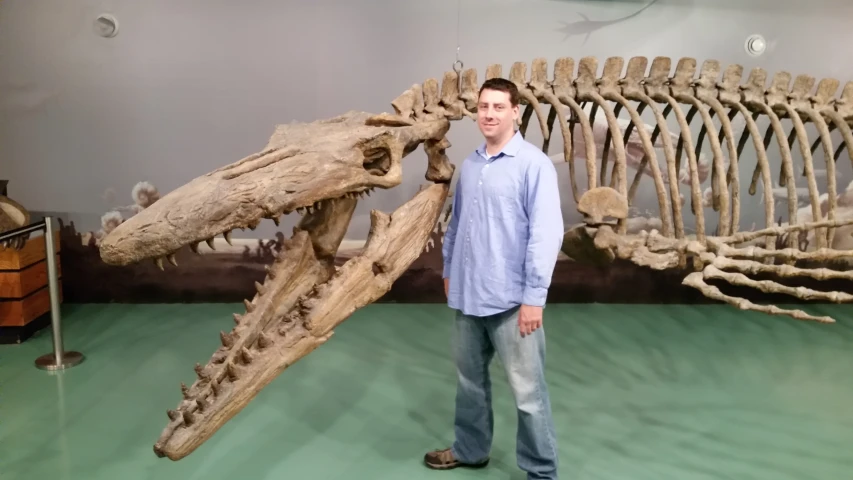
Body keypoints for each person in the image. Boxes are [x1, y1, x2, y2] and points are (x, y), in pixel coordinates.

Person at [423, 78, 564, 479]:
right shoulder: (470, 165)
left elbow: (546, 233)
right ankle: (470, 450)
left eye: (499, 107)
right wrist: (449, 270)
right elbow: (457, 224)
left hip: (511, 302)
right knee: (469, 383)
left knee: (528, 395)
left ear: (516, 112)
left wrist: (534, 298)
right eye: (484, 106)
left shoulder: (533, 165)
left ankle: (541, 471)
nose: (489, 114)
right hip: (468, 297)